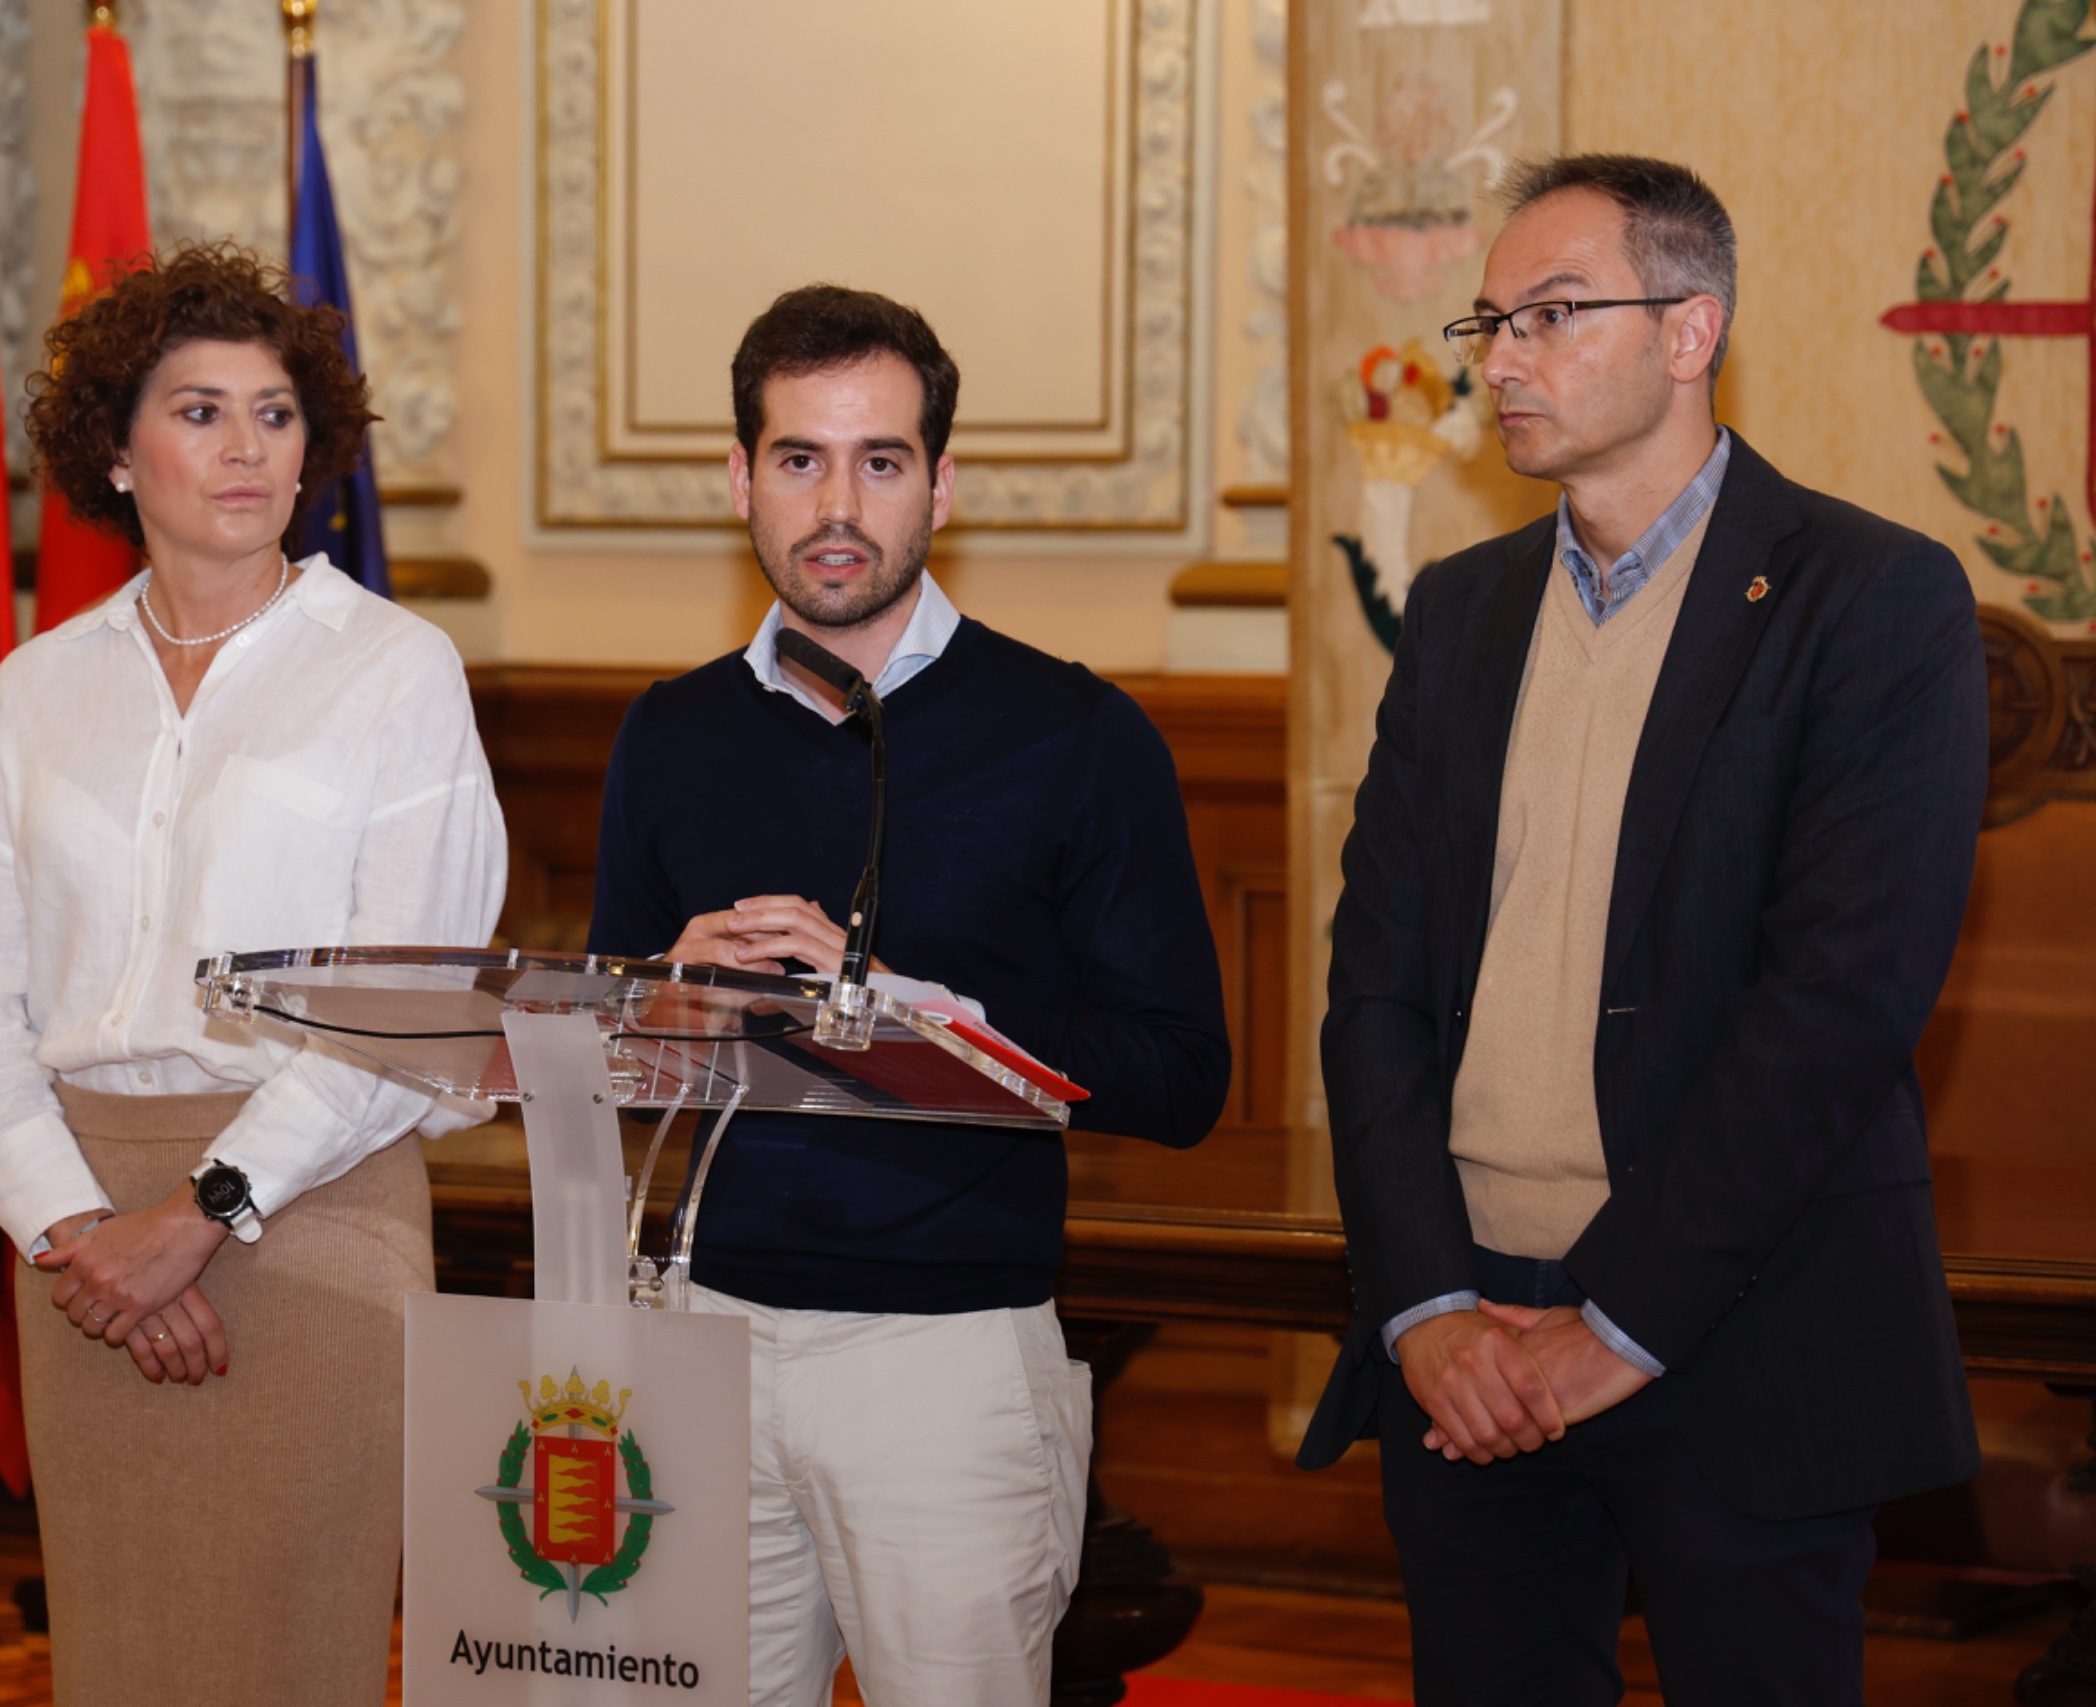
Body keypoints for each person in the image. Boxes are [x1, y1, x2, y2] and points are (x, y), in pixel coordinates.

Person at [1297, 155, 1986, 1703]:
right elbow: (1375, 989)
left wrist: (1616, 1323)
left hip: (1742, 1329)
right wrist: (1424, 1308)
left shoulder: (1870, 598)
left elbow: (1838, 1007)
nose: (1503, 360)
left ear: (1691, 331)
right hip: (1468, 1333)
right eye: (1491, 322)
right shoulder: (1462, 611)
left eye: (1553, 315)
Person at [585, 284, 1230, 1707]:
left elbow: (1184, 1077)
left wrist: (927, 1019)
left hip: (949, 1362)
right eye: (799, 459)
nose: (838, 505)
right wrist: (656, 1007)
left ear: (941, 484)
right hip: (702, 1333)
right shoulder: (671, 733)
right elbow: (612, 1067)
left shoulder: (1076, 734)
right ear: (739, 478)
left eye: (880, 461)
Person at [0, 242, 503, 1707]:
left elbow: (405, 1007)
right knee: (119, 1660)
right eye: (200, 412)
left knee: (288, 1660)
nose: (247, 446)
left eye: (275, 413)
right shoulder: (37, 689)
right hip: (77, 1241)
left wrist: (200, 1216)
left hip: (316, 1212)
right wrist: (76, 1231)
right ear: (117, 454)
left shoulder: (395, 668)